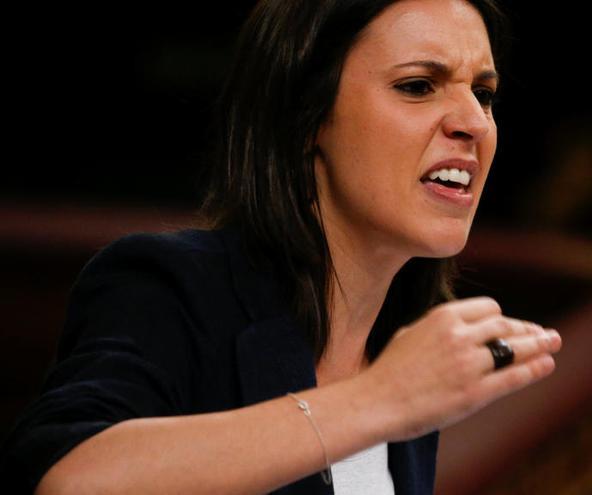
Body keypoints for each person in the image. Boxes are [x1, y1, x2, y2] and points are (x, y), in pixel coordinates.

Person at [0, 0, 562, 493]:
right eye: (418, 85)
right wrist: (382, 399)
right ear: (306, 115)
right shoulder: (171, 286)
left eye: (484, 94)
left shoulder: (403, 344)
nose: (474, 122)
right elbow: (73, 479)